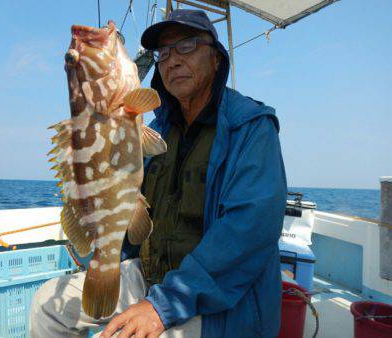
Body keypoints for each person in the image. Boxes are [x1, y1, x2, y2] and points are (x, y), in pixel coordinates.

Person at [30, 9, 287, 338]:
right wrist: (108, 254)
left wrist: (161, 306)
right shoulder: (155, 130)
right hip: (155, 279)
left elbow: (250, 231)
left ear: (217, 58)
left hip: (220, 301)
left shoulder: (251, 127)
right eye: (163, 53)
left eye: (187, 46)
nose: (172, 61)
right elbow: (126, 200)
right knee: (47, 307)